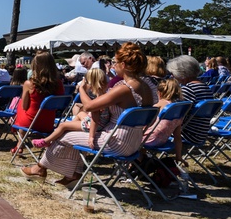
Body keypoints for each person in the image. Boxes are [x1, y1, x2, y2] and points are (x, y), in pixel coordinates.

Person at [23, 42, 156, 186]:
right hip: (135, 142)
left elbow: (89, 106)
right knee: (75, 134)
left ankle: (41, 168)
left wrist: (82, 89)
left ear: (123, 65)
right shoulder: (146, 86)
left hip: (116, 141)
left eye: (114, 62)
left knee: (65, 135)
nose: (112, 65)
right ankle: (72, 175)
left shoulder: (124, 89)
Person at [31, 67, 110, 149]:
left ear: (90, 83)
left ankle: (46, 141)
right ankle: (70, 129)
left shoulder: (97, 101)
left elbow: (95, 118)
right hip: (101, 123)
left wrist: (91, 136)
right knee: (80, 114)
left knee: (63, 125)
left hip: (94, 125)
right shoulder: (103, 95)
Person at [13, 52, 64, 138]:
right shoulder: (58, 84)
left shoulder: (29, 84)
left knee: (20, 105)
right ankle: (19, 143)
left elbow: (24, 107)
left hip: (31, 122)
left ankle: (19, 142)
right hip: (48, 123)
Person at [167, 55, 215, 147]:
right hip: (201, 133)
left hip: (188, 134)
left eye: (173, 73)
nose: (172, 76)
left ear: (182, 74)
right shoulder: (205, 87)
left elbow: (174, 115)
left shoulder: (188, 90)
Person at [141, 78, 185, 163]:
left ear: (159, 93)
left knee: (131, 137)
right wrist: (178, 156)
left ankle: (137, 164)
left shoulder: (160, 104)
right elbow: (177, 136)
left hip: (149, 139)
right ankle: (143, 162)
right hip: (162, 140)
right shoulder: (179, 109)